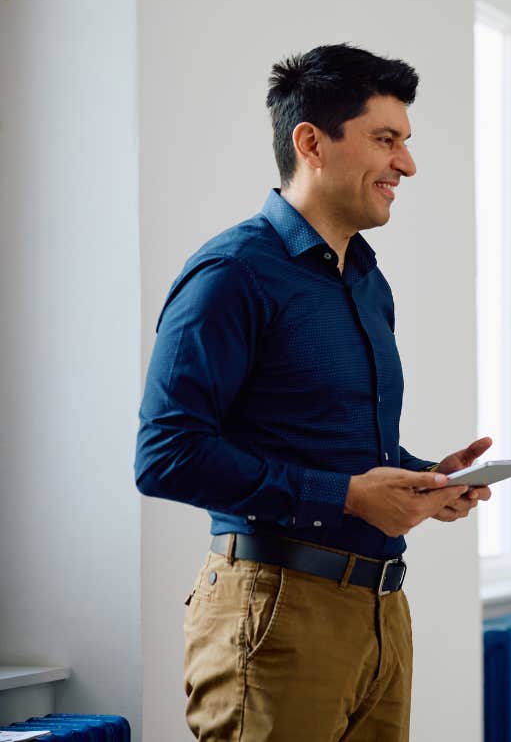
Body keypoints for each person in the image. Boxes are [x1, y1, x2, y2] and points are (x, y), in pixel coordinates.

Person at [135, 44, 492, 741]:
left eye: (406, 143)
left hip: (380, 614)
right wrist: (346, 495)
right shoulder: (231, 274)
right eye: (386, 140)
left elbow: (339, 445)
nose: (407, 164)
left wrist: (422, 479)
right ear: (311, 143)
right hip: (273, 614)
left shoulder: (366, 280)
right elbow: (164, 454)